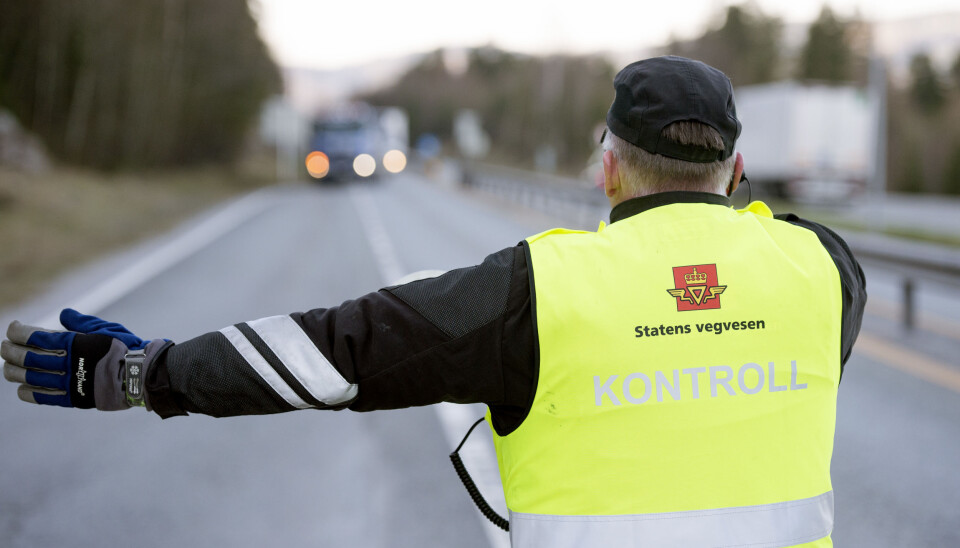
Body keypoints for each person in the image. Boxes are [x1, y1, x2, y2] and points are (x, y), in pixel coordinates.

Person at [3, 56, 866, 547]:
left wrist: (146, 373)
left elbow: (335, 352)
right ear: (739, 171)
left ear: (607, 165)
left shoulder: (538, 290)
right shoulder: (828, 275)